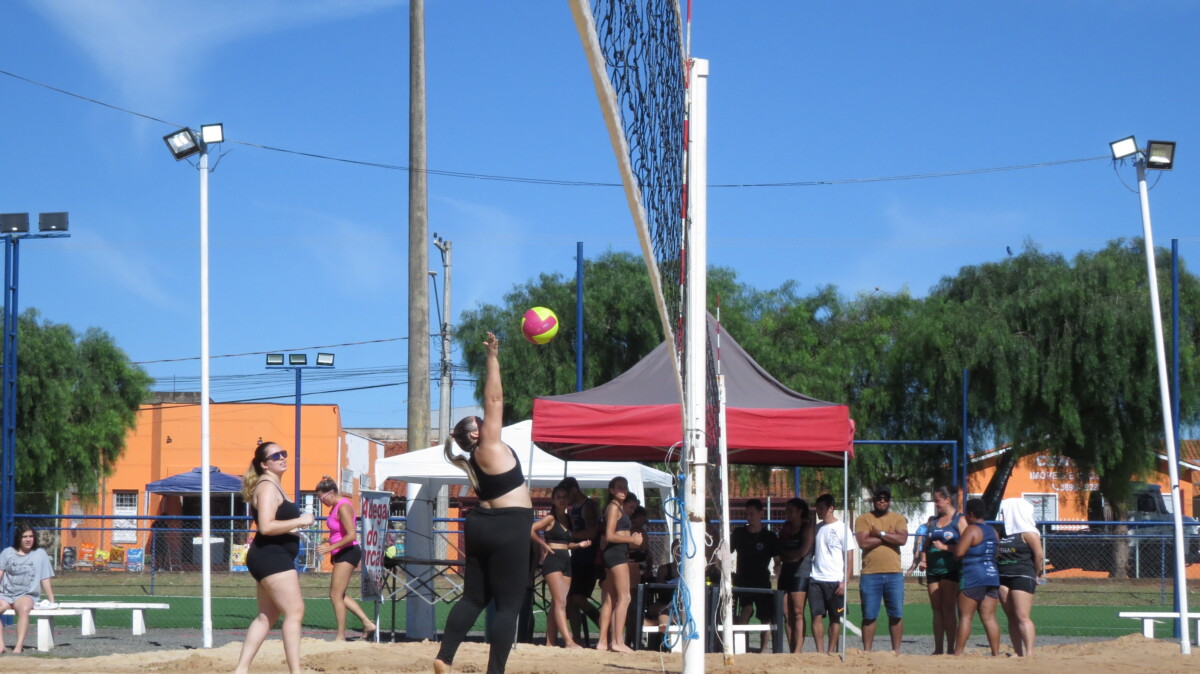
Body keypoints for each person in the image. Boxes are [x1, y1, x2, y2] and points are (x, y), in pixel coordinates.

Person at [435, 332, 534, 674]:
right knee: (508, 607)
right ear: (475, 434)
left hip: (481, 525)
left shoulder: (474, 460)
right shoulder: (488, 446)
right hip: (509, 525)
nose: (486, 421)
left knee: (473, 598)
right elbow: (494, 399)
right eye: (480, 423)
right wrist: (492, 357)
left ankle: (444, 657)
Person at [235, 441, 314, 674]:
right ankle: (296, 672)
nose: (282, 458)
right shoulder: (268, 487)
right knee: (295, 611)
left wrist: (292, 529)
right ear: (264, 464)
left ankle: (241, 670)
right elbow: (267, 526)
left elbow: (274, 524)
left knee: (266, 616)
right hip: (271, 556)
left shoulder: (272, 485)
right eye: (275, 456)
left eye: (283, 453)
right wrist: (300, 520)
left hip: (270, 555)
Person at [314, 476, 377, 641]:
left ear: (331, 493)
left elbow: (351, 535)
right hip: (341, 552)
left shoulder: (343, 507)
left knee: (336, 594)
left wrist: (329, 548)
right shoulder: (335, 507)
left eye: (322, 498)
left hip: (348, 551)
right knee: (338, 594)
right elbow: (337, 533)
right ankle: (367, 623)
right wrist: (332, 550)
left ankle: (341, 636)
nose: (321, 502)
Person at [531, 484, 591, 648]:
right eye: (559, 497)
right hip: (553, 561)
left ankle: (550, 642)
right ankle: (569, 640)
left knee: (558, 602)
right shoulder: (550, 518)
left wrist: (579, 545)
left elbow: (565, 543)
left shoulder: (568, 518)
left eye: (565, 497)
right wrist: (544, 544)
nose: (562, 500)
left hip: (566, 560)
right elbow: (531, 529)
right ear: (553, 500)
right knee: (560, 601)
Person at [853, 486, 908, 653]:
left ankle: (896, 652)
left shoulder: (898, 518)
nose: (882, 501)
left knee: (896, 614)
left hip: (894, 574)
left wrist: (880, 534)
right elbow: (863, 543)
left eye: (885, 498)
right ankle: (867, 652)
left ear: (889, 501)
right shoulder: (863, 519)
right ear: (874, 500)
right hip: (870, 574)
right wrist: (889, 536)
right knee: (869, 615)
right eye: (879, 498)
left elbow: (902, 539)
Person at [594, 476, 643, 652]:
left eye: (625, 487)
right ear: (612, 490)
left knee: (610, 599)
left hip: (614, 553)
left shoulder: (615, 507)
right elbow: (610, 535)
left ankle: (603, 642)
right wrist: (632, 540)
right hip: (616, 554)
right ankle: (617, 641)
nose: (623, 490)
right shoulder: (614, 507)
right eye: (619, 487)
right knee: (625, 597)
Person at [953, 498, 1001, 656]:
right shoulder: (993, 531)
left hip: (973, 576)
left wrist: (950, 548)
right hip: (992, 576)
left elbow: (959, 553)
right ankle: (996, 653)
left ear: (971, 514)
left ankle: (958, 653)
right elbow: (996, 553)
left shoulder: (971, 529)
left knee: (965, 617)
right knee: (989, 618)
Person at [922, 486, 967, 654]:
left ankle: (950, 649)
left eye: (937, 501)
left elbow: (966, 545)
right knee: (936, 610)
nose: (935, 504)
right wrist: (923, 559)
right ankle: (938, 648)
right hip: (933, 570)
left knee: (948, 609)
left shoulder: (959, 520)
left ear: (947, 500)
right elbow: (925, 544)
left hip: (950, 569)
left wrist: (946, 548)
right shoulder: (934, 522)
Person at [997, 497, 1044, 657]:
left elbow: (1039, 555)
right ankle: (1018, 652)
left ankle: (1029, 652)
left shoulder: (1029, 532)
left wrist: (1036, 574)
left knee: (1022, 616)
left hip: (1022, 575)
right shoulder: (1003, 532)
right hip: (1003, 576)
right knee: (1011, 617)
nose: (1004, 515)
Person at [0, 525, 57, 654]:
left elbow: (45, 578)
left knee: (24, 609)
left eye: (31, 536)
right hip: (5, 594)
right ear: (19, 538)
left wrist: (52, 600)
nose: (28, 539)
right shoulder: (7, 552)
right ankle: (1, 644)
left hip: (26, 594)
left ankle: (19, 645)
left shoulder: (40, 554)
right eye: (25, 536)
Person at [562, 476, 601, 644]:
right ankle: (576, 639)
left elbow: (592, 533)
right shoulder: (575, 508)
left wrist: (569, 535)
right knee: (570, 600)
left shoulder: (588, 506)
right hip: (577, 557)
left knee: (579, 598)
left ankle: (606, 630)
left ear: (573, 490)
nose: (565, 499)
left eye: (566, 495)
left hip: (588, 559)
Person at [808, 494, 845, 655]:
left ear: (831, 508)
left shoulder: (842, 528)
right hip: (816, 578)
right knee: (816, 616)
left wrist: (844, 581)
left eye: (821, 508)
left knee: (835, 617)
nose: (818, 511)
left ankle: (831, 651)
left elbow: (849, 555)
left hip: (835, 579)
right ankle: (820, 652)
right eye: (817, 508)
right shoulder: (817, 528)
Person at [775, 498, 811, 653]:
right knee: (786, 612)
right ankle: (791, 649)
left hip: (801, 574)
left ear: (800, 512)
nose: (787, 514)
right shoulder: (785, 528)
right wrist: (782, 559)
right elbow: (778, 551)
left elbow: (802, 552)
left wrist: (787, 557)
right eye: (786, 511)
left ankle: (798, 650)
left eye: (790, 511)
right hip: (785, 573)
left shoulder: (806, 528)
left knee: (797, 612)